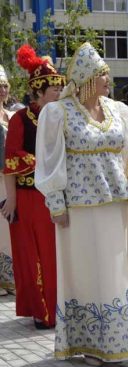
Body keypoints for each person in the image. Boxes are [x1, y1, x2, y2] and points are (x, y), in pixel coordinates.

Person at [34, 42, 128, 365]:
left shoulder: (118, 110)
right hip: (80, 209)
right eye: (103, 76)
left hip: (116, 203)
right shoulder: (57, 112)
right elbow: (49, 161)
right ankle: (92, 343)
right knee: (87, 270)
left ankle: (124, 337)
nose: (108, 82)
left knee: (118, 267)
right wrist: (56, 201)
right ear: (86, 78)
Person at [2, 45, 64, 327]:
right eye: (54, 89)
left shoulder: (61, 117)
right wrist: (11, 200)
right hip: (29, 197)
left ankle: (61, 307)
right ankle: (43, 311)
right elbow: (11, 159)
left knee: (56, 253)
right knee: (35, 254)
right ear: (38, 91)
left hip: (58, 195)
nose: (59, 94)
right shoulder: (19, 120)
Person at [0, 65, 15, 296]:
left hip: (11, 179)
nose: (2, 90)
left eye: (4, 86)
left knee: (9, 227)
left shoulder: (12, 115)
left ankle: (9, 278)